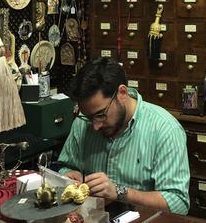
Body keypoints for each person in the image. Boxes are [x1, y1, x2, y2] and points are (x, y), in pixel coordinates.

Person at [57, 58, 190, 215]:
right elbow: (65, 166)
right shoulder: (82, 123)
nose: (95, 126)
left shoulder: (165, 130)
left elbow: (178, 204)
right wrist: (68, 176)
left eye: (101, 115)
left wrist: (120, 192)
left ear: (122, 93)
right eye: (89, 117)